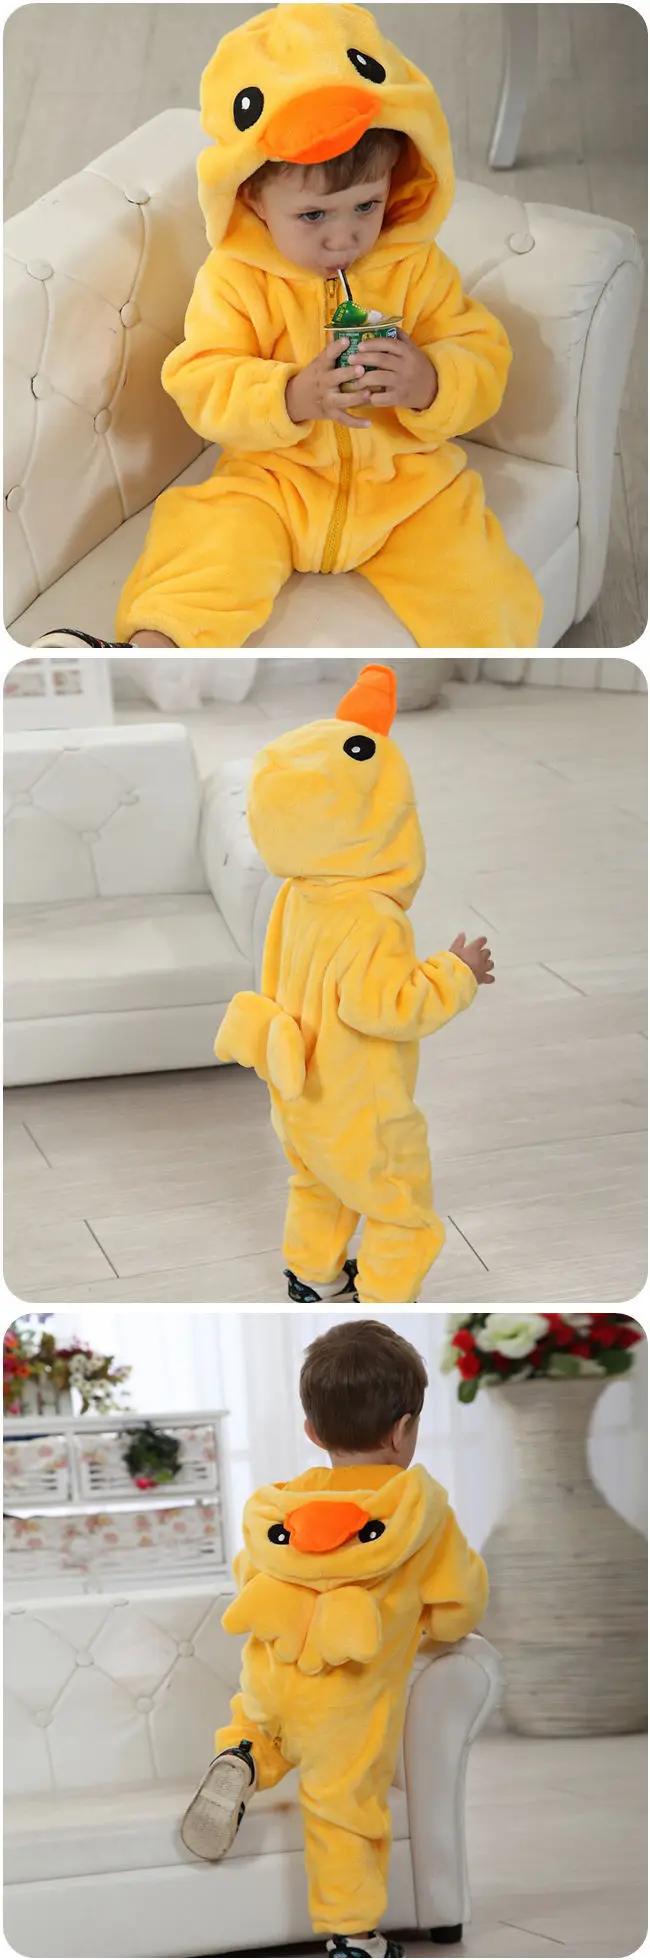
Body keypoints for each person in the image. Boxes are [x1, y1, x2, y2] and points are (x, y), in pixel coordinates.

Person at [34, 2, 543, 653]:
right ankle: (144, 656)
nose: (344, 236)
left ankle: (497, 673)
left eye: (367, 205)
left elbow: (481, 351)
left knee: (485, 589)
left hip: (410, 489)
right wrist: (290, 396)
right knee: (206, 546)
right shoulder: (235, 278)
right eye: (313, 215)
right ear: (253, 197)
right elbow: (202, 378)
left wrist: (431, 382)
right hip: (272, 482)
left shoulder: (416, 267)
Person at [181, 1318, 488, 1960]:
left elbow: (247, 1577)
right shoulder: (418, 1512)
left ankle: (243, 1757)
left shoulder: (282, 1508)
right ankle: (353, 1938)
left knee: (261, 1725)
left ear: (313, 1433)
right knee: (343, 1810)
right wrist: (425, 1624)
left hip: (271, 1679)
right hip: (348, 1703)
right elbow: (458, 1608)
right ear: (404, 1429)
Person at [215, 662, 495, 1305]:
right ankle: (385, 1301)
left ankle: (313, 1276)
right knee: (400, 1207)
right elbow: (388, 1008)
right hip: (360, 1105)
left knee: (318, 1183)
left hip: (299, 1093)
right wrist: (456, 972)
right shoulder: (372, 917)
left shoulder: (295, 892)